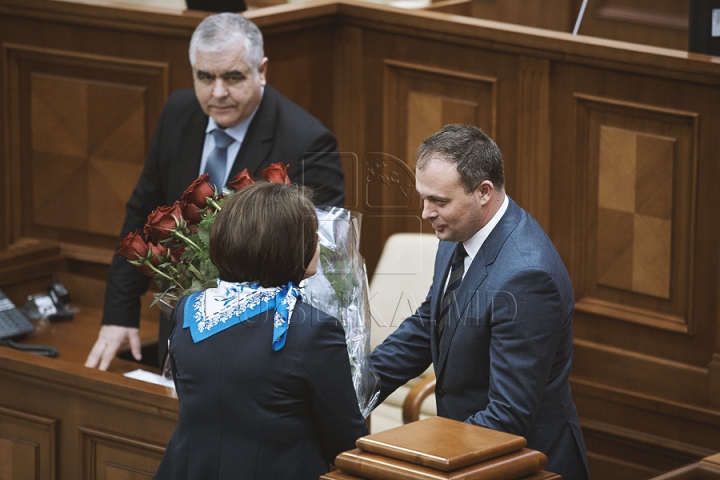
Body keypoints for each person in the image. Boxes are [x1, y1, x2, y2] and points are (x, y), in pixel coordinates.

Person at [85, 12, 345, 370]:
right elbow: (141, 214)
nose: (218, 92)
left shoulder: (307, 142)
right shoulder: (178, 112)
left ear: (262, 70)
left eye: (233, 77)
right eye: (205, 77)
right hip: (181, 327)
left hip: (261, 342)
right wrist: (119, 314)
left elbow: (324, 256)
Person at [369, 124, 590, 479]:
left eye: (439, 201)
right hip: (469, 451)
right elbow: (431, 321)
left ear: (483, 192)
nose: (426, 213)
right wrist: (355, 386)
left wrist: (421, 457)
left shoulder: (528, 277)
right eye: (423, 198)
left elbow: (507, 415)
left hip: (522, 465)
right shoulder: (458, 229)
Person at [154, 182, 368, 479]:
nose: (319, 242)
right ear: (291, 246)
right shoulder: (312, 329)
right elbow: (345, 442)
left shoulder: (187, 309)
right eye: (313, 235)